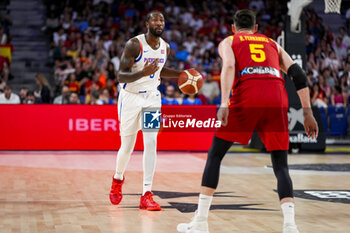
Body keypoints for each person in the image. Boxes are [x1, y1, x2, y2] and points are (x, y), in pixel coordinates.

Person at [177, 10, 318, 233]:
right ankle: (290, 225)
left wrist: (224, 103)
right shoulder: (271, 42)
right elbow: (298, 74)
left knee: (215, 154)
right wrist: (308, 113)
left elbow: (230, 67)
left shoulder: (229, 41)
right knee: (280, 164)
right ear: (256, 29)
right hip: (276, 97)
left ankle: (201, 222)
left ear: (233, 28)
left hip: (248, 95)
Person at [110, 11, 187, 211]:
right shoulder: (134, 45)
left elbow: (160, 71)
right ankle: (118, 178)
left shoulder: (165, 47)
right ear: (147, 23)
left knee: (151, 142)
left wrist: (182, 74)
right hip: (130, 98)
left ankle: (147, 193)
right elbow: (121, 76)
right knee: (127, 146)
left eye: (161, 19)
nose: (159, 22)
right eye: (155, 19)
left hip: (152, 98)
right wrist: (143, 72)